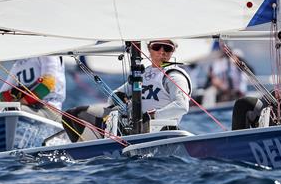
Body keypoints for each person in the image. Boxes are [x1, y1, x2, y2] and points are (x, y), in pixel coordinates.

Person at [63, 39, 192, 142]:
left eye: (167, 48)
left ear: (173, 51)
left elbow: (182, 106)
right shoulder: (142, 73)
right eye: (157, 47)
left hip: (158, 130)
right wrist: (118, 97)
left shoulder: (174, 75)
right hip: (130, 125)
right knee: (71, 115)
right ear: (149, 49)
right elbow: (112, 98)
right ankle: (90, 152)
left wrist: (152, 116)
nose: (162, 52)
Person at [0, 56, 66, 122]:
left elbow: (48, 83)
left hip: (49, 110)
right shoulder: (18, 65)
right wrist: (13, 93)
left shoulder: (46, 54)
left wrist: (23, 101)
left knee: (12, 110)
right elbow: (1, 96)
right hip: (28, 108)